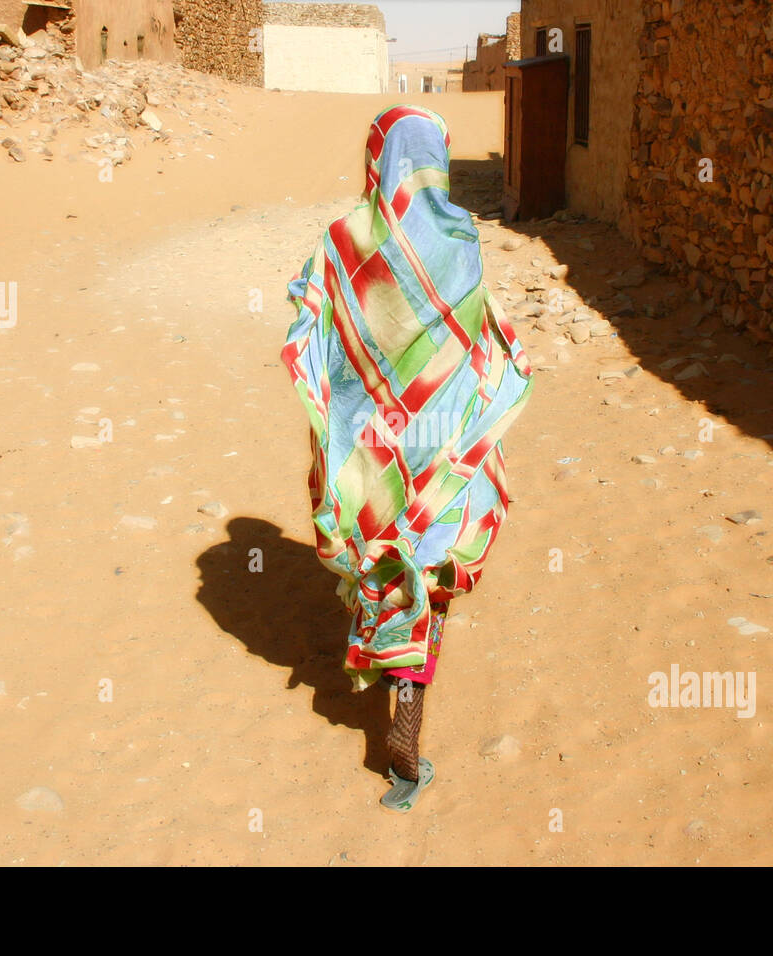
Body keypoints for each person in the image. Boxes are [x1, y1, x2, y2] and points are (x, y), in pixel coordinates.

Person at [280, 105, 532, 812]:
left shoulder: (341, 243)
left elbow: (310, 324)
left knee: (384, 562)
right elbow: (483, 339)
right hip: (442, 444)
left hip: (373, 452)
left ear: (376, 160)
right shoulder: (460, 240)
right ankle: (408, 719)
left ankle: (395, 684)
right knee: (432, 568)